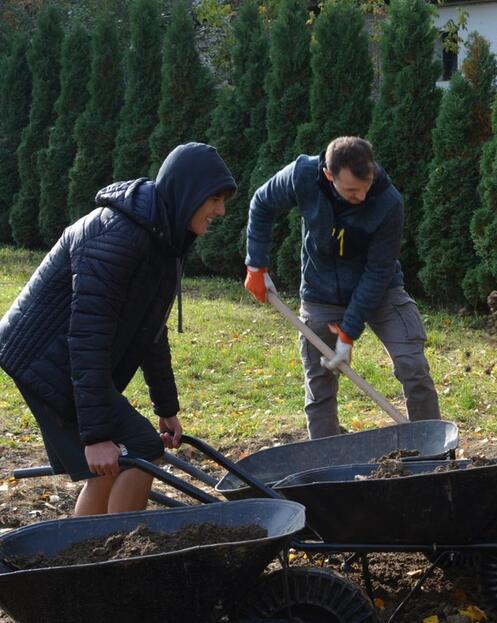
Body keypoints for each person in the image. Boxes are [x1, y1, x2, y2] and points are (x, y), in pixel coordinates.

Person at [0, 142, 237, 516]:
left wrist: (166, 407)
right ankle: (116, 553)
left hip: (63, 354)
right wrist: (96, 437)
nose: (220, 211)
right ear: (188, 193)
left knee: (120, 460)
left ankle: (88, 557)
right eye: (214, 199)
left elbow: (150, 331)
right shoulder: (119, 237)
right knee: (141, 449)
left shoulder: (164, 237)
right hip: (42, 356)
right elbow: (87, 337)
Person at [243, 136, 440, 438]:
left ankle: (433, 449)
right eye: (351, 190)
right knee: (319, 379)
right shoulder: (303, 175)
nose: (362, 197)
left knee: (412, 364)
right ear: (328, 175)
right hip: (321, 293)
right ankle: (327, 462)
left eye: (366, 186)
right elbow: (263, 202)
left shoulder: (388, 202)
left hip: (381, 291)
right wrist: (256, 265)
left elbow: (377, 272)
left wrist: (348, 332)